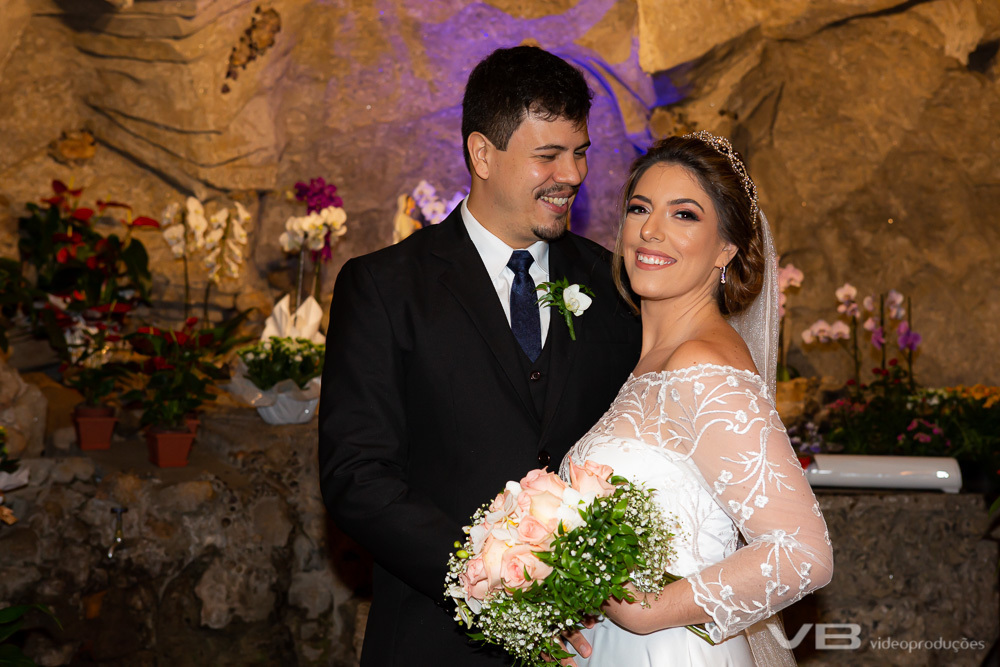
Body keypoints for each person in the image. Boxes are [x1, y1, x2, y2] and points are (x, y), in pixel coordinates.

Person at [318, 45, 641, 667]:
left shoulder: (614, 284)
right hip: (433, 639)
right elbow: (357, 475)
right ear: (482, 154)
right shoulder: (385, 288)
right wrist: (491, 580)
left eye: (580, 153)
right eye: (547, 155)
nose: (571, 174)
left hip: (587, 645)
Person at [560, 132, 834, 666]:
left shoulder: (702, 366)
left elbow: (803, 554)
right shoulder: (647, 365)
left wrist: (651, 608)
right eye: (639, 208)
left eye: (683, 215)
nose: (650, 230)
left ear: (726, 247)